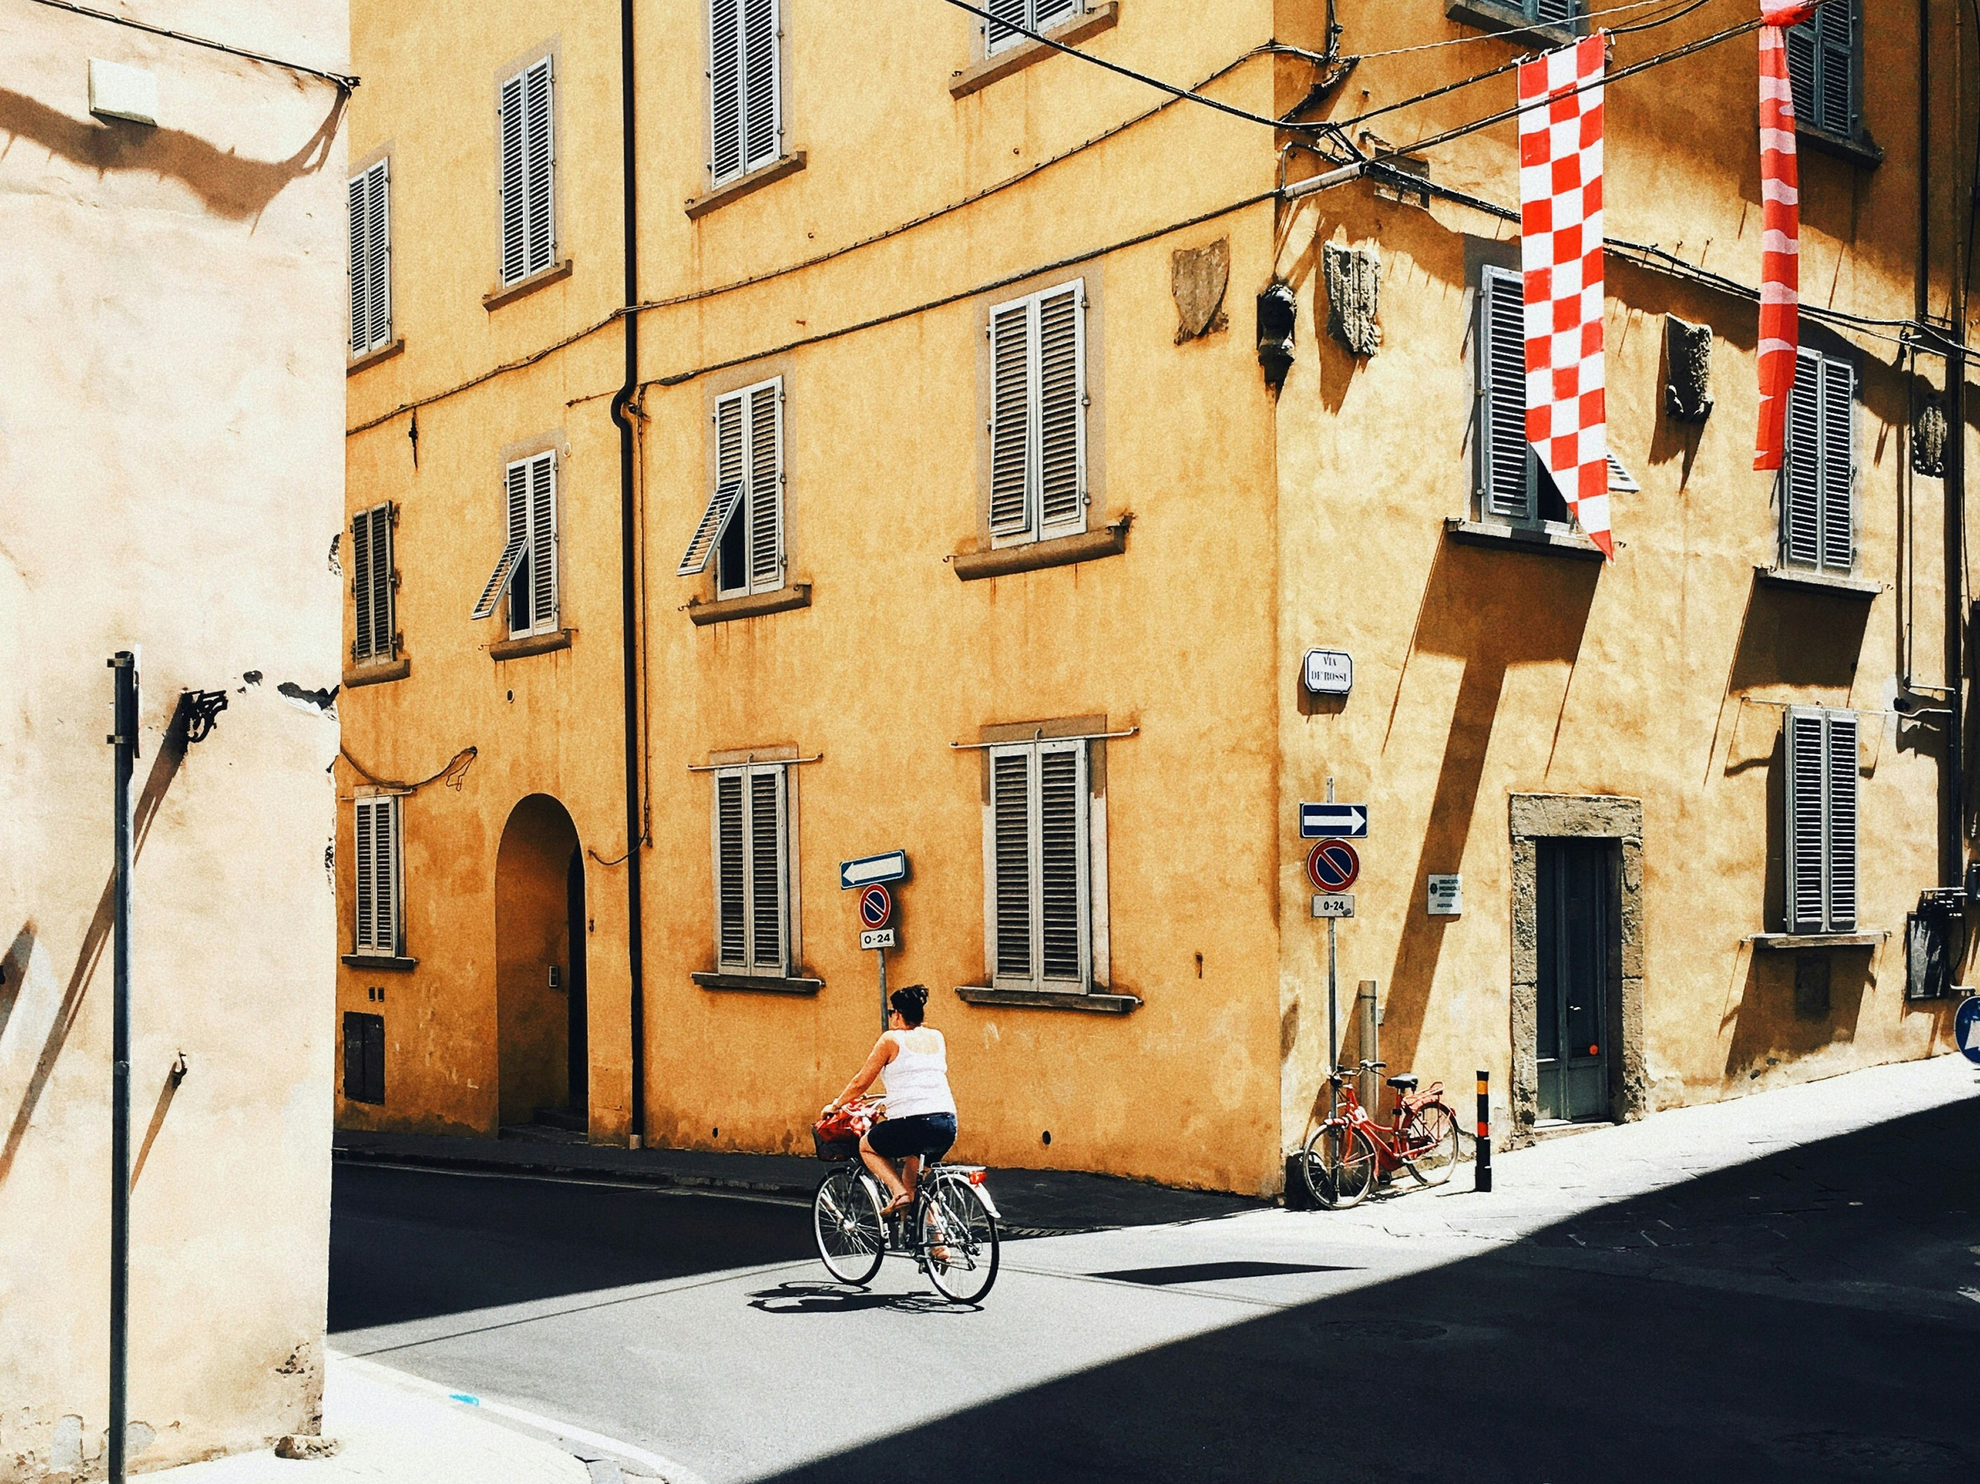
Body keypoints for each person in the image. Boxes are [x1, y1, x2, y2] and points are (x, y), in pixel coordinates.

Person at [821, 985, 957, 1217]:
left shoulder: (891, 1040)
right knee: (914, 1184)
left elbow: (860, 1083)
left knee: (866, 1147)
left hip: (913, 1124)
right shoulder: (936, 1037)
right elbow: (920, 1077)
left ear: (898, 1014)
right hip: (946, 1123)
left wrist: (835, 1106)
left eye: (893, 1011)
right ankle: (936, 1237)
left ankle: (898, 1193)